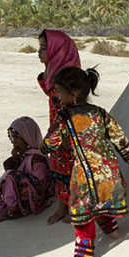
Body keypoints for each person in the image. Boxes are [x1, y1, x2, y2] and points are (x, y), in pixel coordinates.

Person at [41, 66, 129, 257]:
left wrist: (43, 147)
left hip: (85, 176)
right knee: (101, 203)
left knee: (82, 215)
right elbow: (119, 137)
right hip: (109, 172)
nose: (58, 96)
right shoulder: (100, 113)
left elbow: (51, 142)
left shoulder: (65, 117)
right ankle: (112, 231)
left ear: (73, 94)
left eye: (60, 92)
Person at [36, 29, 81, 224]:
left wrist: (65, 133)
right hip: (56, 129)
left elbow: (74, 109)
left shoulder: (70, 80)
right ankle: (62, 205)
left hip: (69, 132)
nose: (39, 52)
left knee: (72, 170)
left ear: (57, 51)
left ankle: (75, 206)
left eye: (44, 48)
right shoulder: (54, 74)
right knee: (59, 168)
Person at [0, 116, 55, 222]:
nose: (14, 142)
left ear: (28, 137)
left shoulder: (38, 160)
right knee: (10, 175)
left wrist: (18, 179)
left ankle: (13, 210)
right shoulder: (25, 155)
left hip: (37, 199)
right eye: (12, 138)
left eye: (17, 138)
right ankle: (11, 205)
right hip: (27, 196)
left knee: (11, 176)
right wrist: (15, 159)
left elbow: (40, 186)